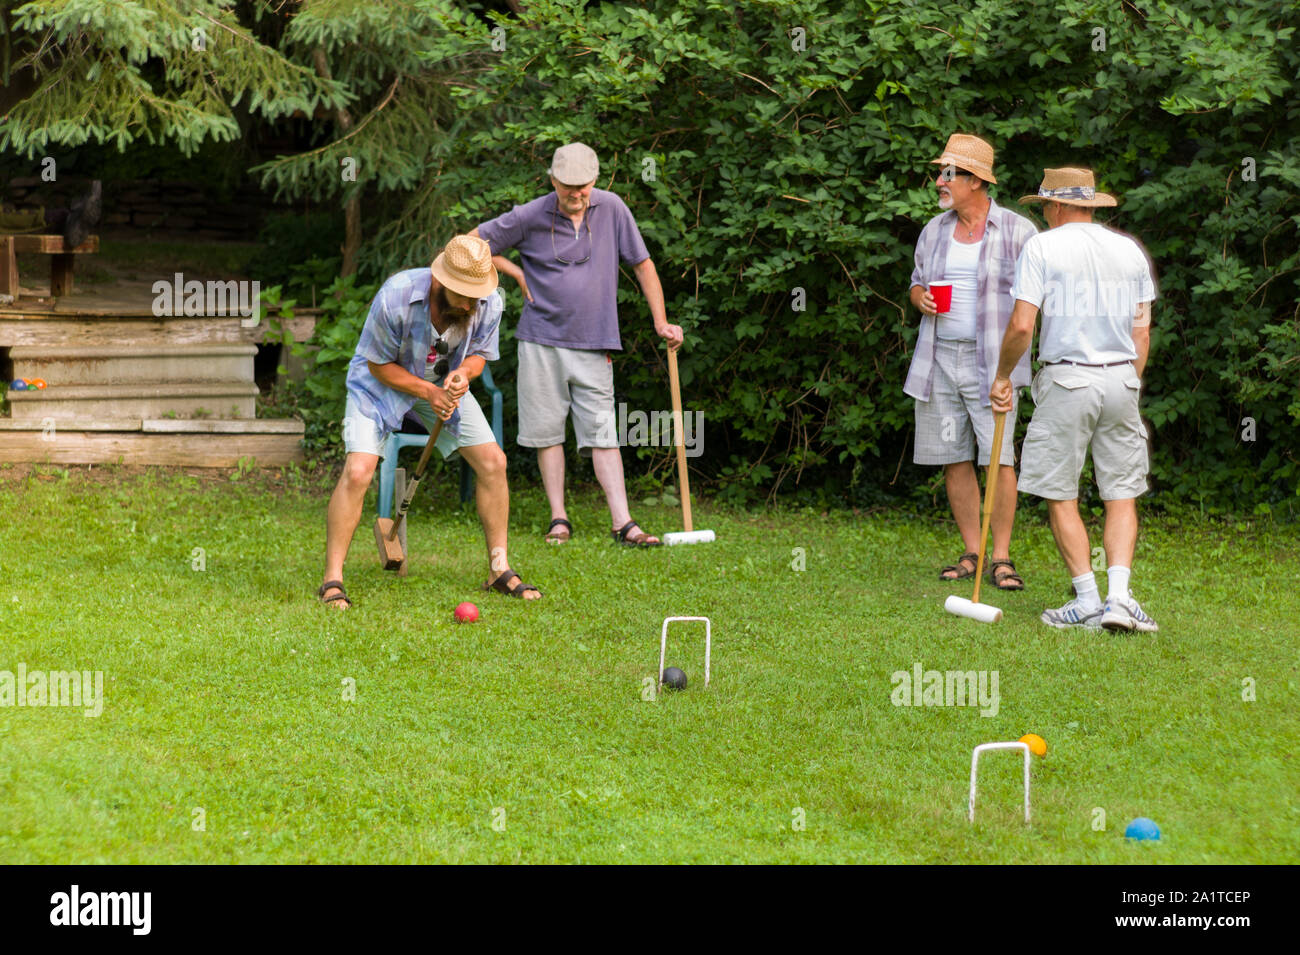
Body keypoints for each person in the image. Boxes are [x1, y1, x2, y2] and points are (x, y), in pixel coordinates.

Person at [470, 142, 684, 547]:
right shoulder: (531, 214)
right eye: (568, 187)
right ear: (552, 181)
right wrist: (514, 270)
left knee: (603, 431)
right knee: (548, 432)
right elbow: (471, 243)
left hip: (594, 339)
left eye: (584, 186)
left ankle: (624, 523)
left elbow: (642, 264)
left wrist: (660, 320)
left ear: (595, 181)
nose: (577, 194)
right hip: (541, 341)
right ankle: (558, 518)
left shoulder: (613, 208)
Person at [318, 235, 541, 609]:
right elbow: (377, 364)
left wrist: (463, 375)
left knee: (494, 463)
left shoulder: (488, 302)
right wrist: (427, 393)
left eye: (476, 295)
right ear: (440, 281)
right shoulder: (397, 295)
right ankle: (332, 579)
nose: (471, 303)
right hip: (379, 384)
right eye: (463, 295)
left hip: (444, 386)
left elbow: (480, 355)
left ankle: (498, 570)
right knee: (358, 471)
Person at [990, 167, 1157, 632]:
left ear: (1058, 206)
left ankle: (1086, 599)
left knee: (1060, 491)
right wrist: (1129, 383)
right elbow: (1141, 330)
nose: (1043, 215)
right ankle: (1120, 599)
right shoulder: (1129, 249)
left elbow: (1023, 325)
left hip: (1067, 381)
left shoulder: (1042, 247)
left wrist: (1003, 375)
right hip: (1122, 379)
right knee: (1122, 493)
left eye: (1043, 206)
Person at [904, 133, 1038, 589]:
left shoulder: (1020, 232)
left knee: (998, 458)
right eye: (940, 173)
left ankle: (1000, 557)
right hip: (939, 358)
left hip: (992, 365)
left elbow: (1035, 303)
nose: (939, 182)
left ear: (976, 180)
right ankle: (972, 551)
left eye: (948, 174)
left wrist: (1014, 367)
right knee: (953, 456)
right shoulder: (934, 231)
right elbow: (917, 282)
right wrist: (920, 297)